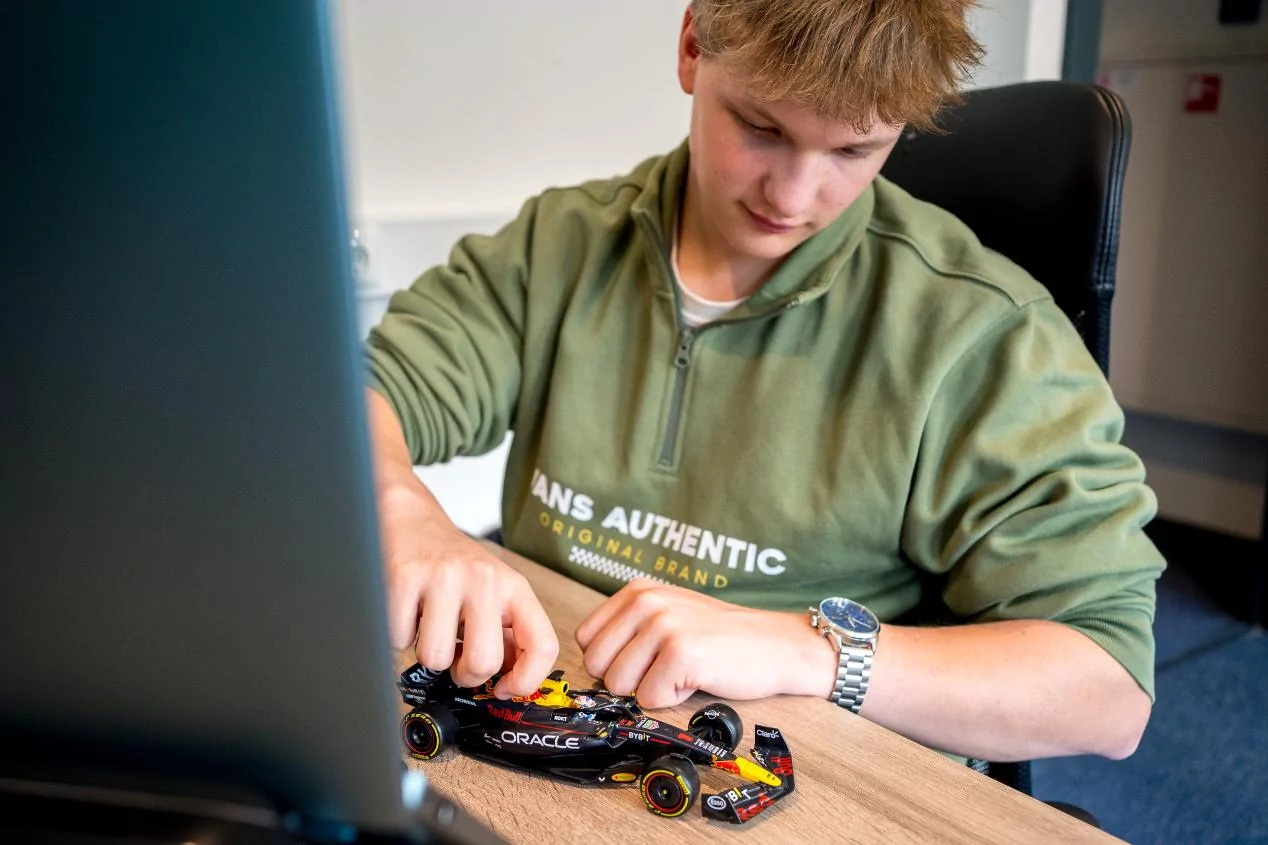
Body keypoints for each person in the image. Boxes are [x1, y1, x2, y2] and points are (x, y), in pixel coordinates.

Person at [364, 0, 1164, 765]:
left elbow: (1108, 690)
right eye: (761, 128)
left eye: (853, 151)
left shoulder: (984, 333)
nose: (791, 196)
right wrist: (406, 510)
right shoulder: (560, 246)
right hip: (538, 714)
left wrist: (809, 651)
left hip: (786, 769)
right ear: (692, 49)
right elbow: (358, 395)